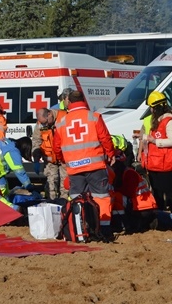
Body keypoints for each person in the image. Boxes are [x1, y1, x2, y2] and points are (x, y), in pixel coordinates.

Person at [53, 90, 116, 238]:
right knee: (101, 197)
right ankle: (104, 229)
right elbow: (105, 138)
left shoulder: (62, 122)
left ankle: (80, 228)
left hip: (74, 168)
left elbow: (56, 147)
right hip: (95, 166)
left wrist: (63, 159)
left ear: (69, 102)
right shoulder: (94, 117)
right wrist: (111, 154)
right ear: (84, 100)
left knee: (76, 198)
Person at [142, 91, 172, 213]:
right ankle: (160, 215)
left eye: (152, 108)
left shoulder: (169, 121)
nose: (151, 110)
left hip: (166, 164)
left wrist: (155, 141)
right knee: (157, 192)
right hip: (155, 163)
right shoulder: (156, 121)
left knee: (169, 192)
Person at [34, 108, 68, 199]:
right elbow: (36, 141)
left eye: (45, 122)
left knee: (65, 187)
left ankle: (65, 206)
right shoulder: (40, 124)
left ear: (49, 114)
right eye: (42, 123)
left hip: (64, 159)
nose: (44, 125)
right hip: (50, 160)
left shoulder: (65, 118)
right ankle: (52, 204)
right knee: (51, 186)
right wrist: (36, 157)